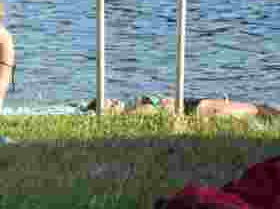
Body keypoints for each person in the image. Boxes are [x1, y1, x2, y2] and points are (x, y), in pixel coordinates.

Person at [90, 96, 280, 119]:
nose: (113, 100)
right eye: (108, 104)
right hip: (198, 109)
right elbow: (161, 111)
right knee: (256, 109)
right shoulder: (131, 114)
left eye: (109, 98)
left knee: (257, 109)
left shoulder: (133, 106)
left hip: (195, 104)